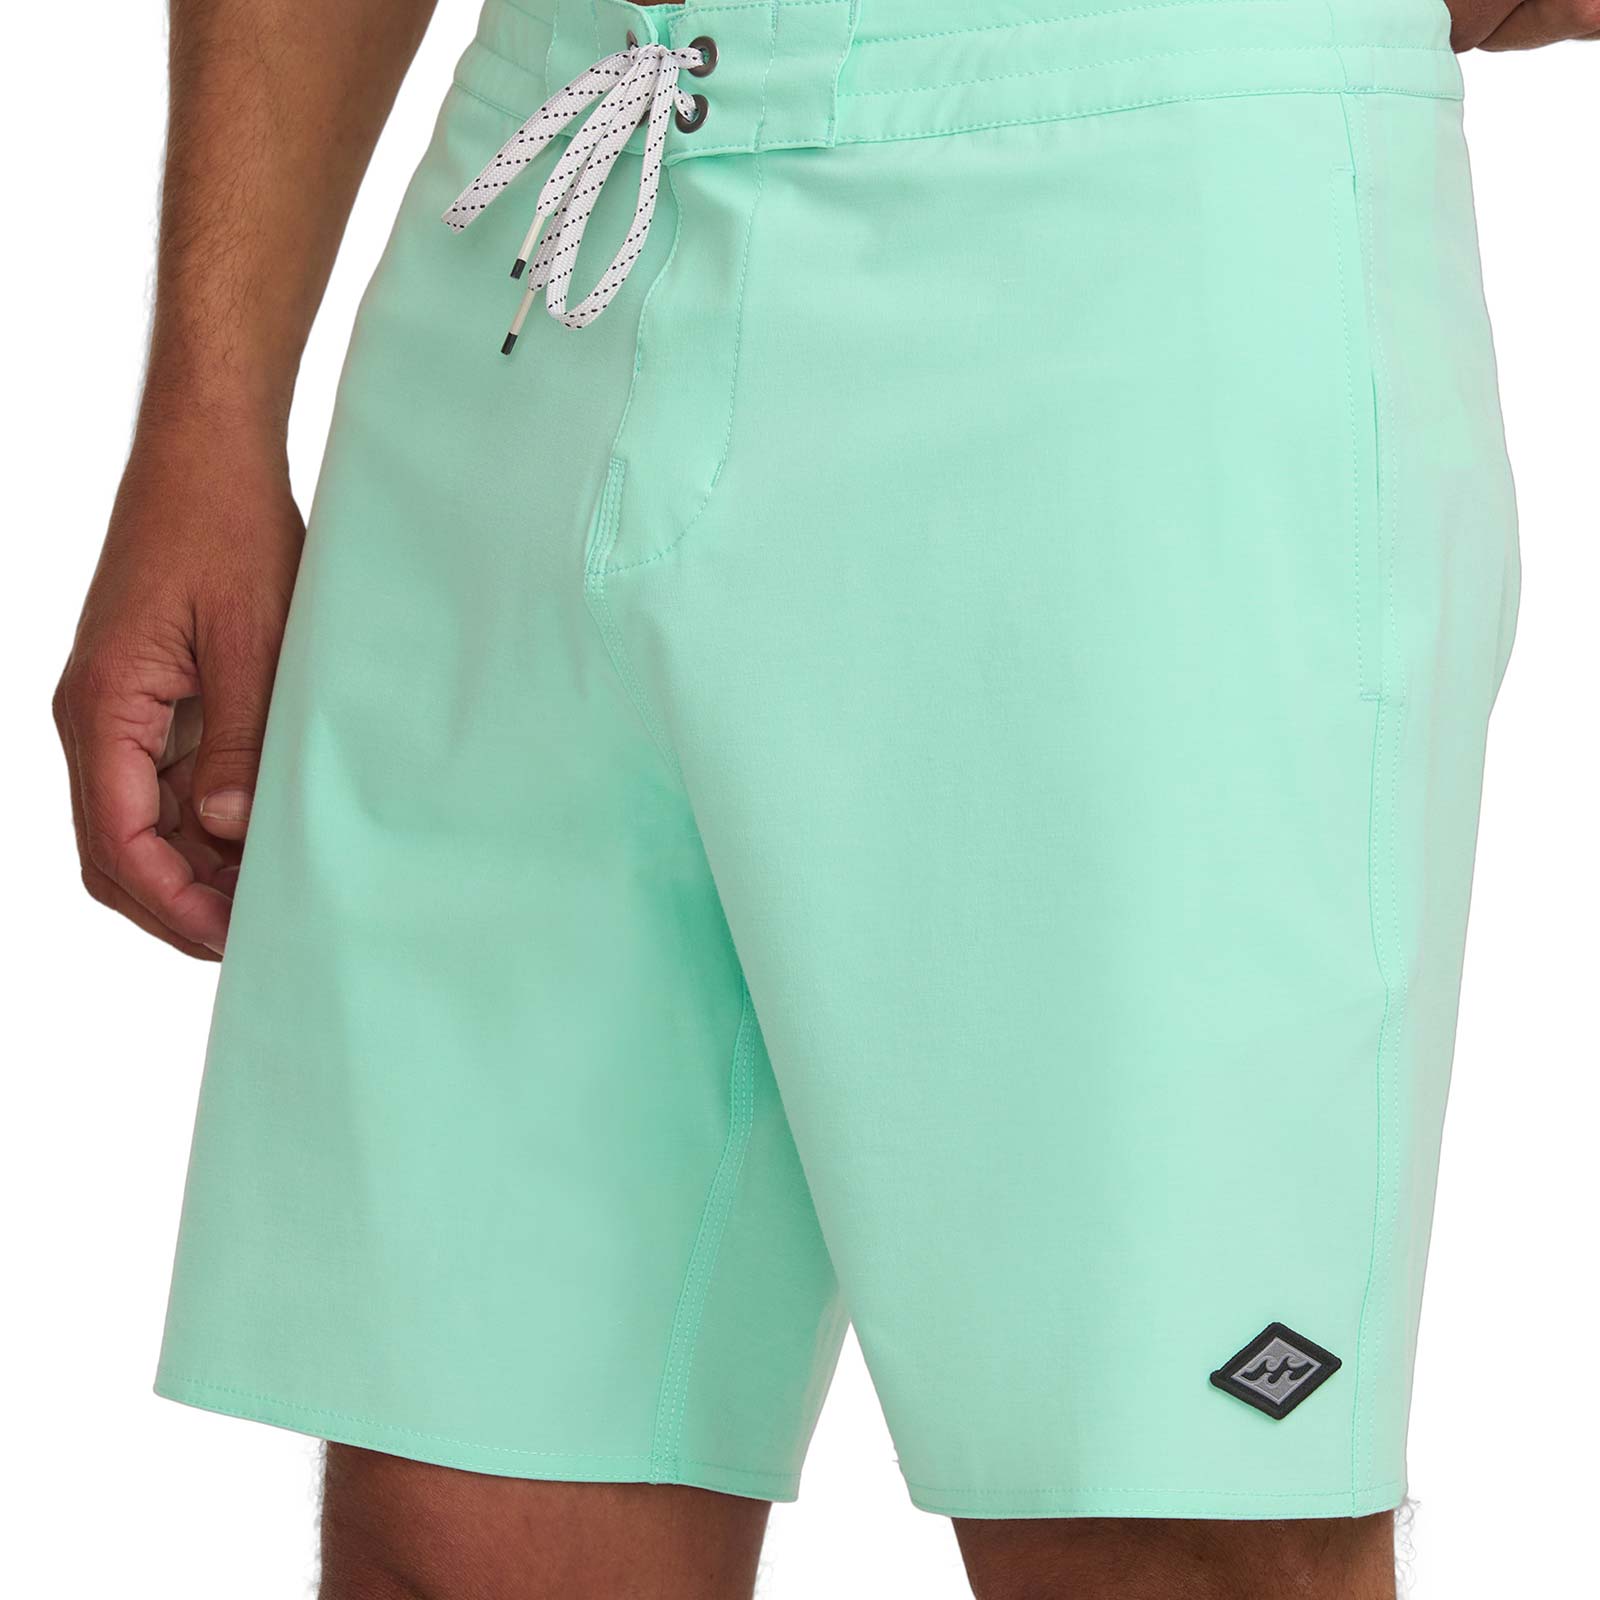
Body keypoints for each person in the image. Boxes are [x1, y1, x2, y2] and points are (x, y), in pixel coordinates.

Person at [52, 1, 1596, 1596]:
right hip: (557, 220)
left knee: (1176, 1526)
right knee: (465, 1515)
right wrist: (205, 419)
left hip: (1130, 233)